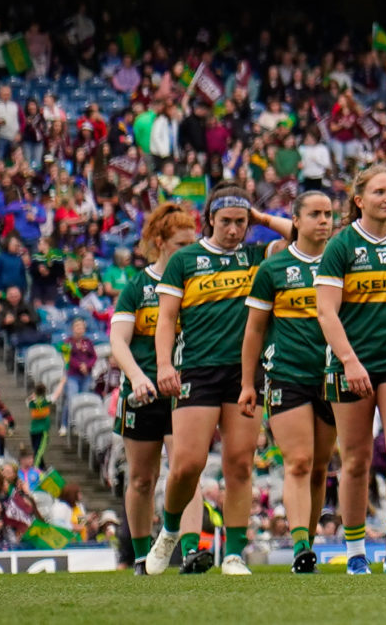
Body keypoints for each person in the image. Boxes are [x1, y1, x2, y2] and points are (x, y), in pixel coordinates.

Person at [145, 183, 282, 576]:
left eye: (241, 222)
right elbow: (167, 318)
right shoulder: (185, 260)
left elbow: (307, 239)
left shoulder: (258, 257)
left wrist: (262, 219)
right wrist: (163, 365)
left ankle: (235, 554)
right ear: (209, 220)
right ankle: (170, 532)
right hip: (197, 369)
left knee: (240, 465)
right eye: (227, 221)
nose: (235, 229)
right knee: (188, 464)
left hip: (245, 374)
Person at [315, 164, 386, 574]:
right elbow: (326, 311)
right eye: (380, 191)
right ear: (359, 200)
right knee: (356, 459)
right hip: (351, 366)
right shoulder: (341, 247)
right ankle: (356, 550)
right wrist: (349, 361)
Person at [240, 188, 338, 573]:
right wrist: (249, 383)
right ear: (296, 220)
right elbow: (254, 330)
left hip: (331, 376)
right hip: (287, 375)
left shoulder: (341, 260)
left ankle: (308, 542)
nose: (324, 221)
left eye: (329, 214)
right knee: (298, 461)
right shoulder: (274, 269)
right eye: (315, 214)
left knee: (319, 467)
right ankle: (300, 546)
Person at [108, 203, 208, 574]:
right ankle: (139, 554)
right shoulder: (138, 286)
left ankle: (193, 550)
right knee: (141, 476)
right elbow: (118, 340)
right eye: (181, 243)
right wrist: (137, 376)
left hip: (186, 391)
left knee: (186, 468)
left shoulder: (197, 284)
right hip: (143, 391)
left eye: (193, 241)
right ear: (160, 243)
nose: (189, 249)